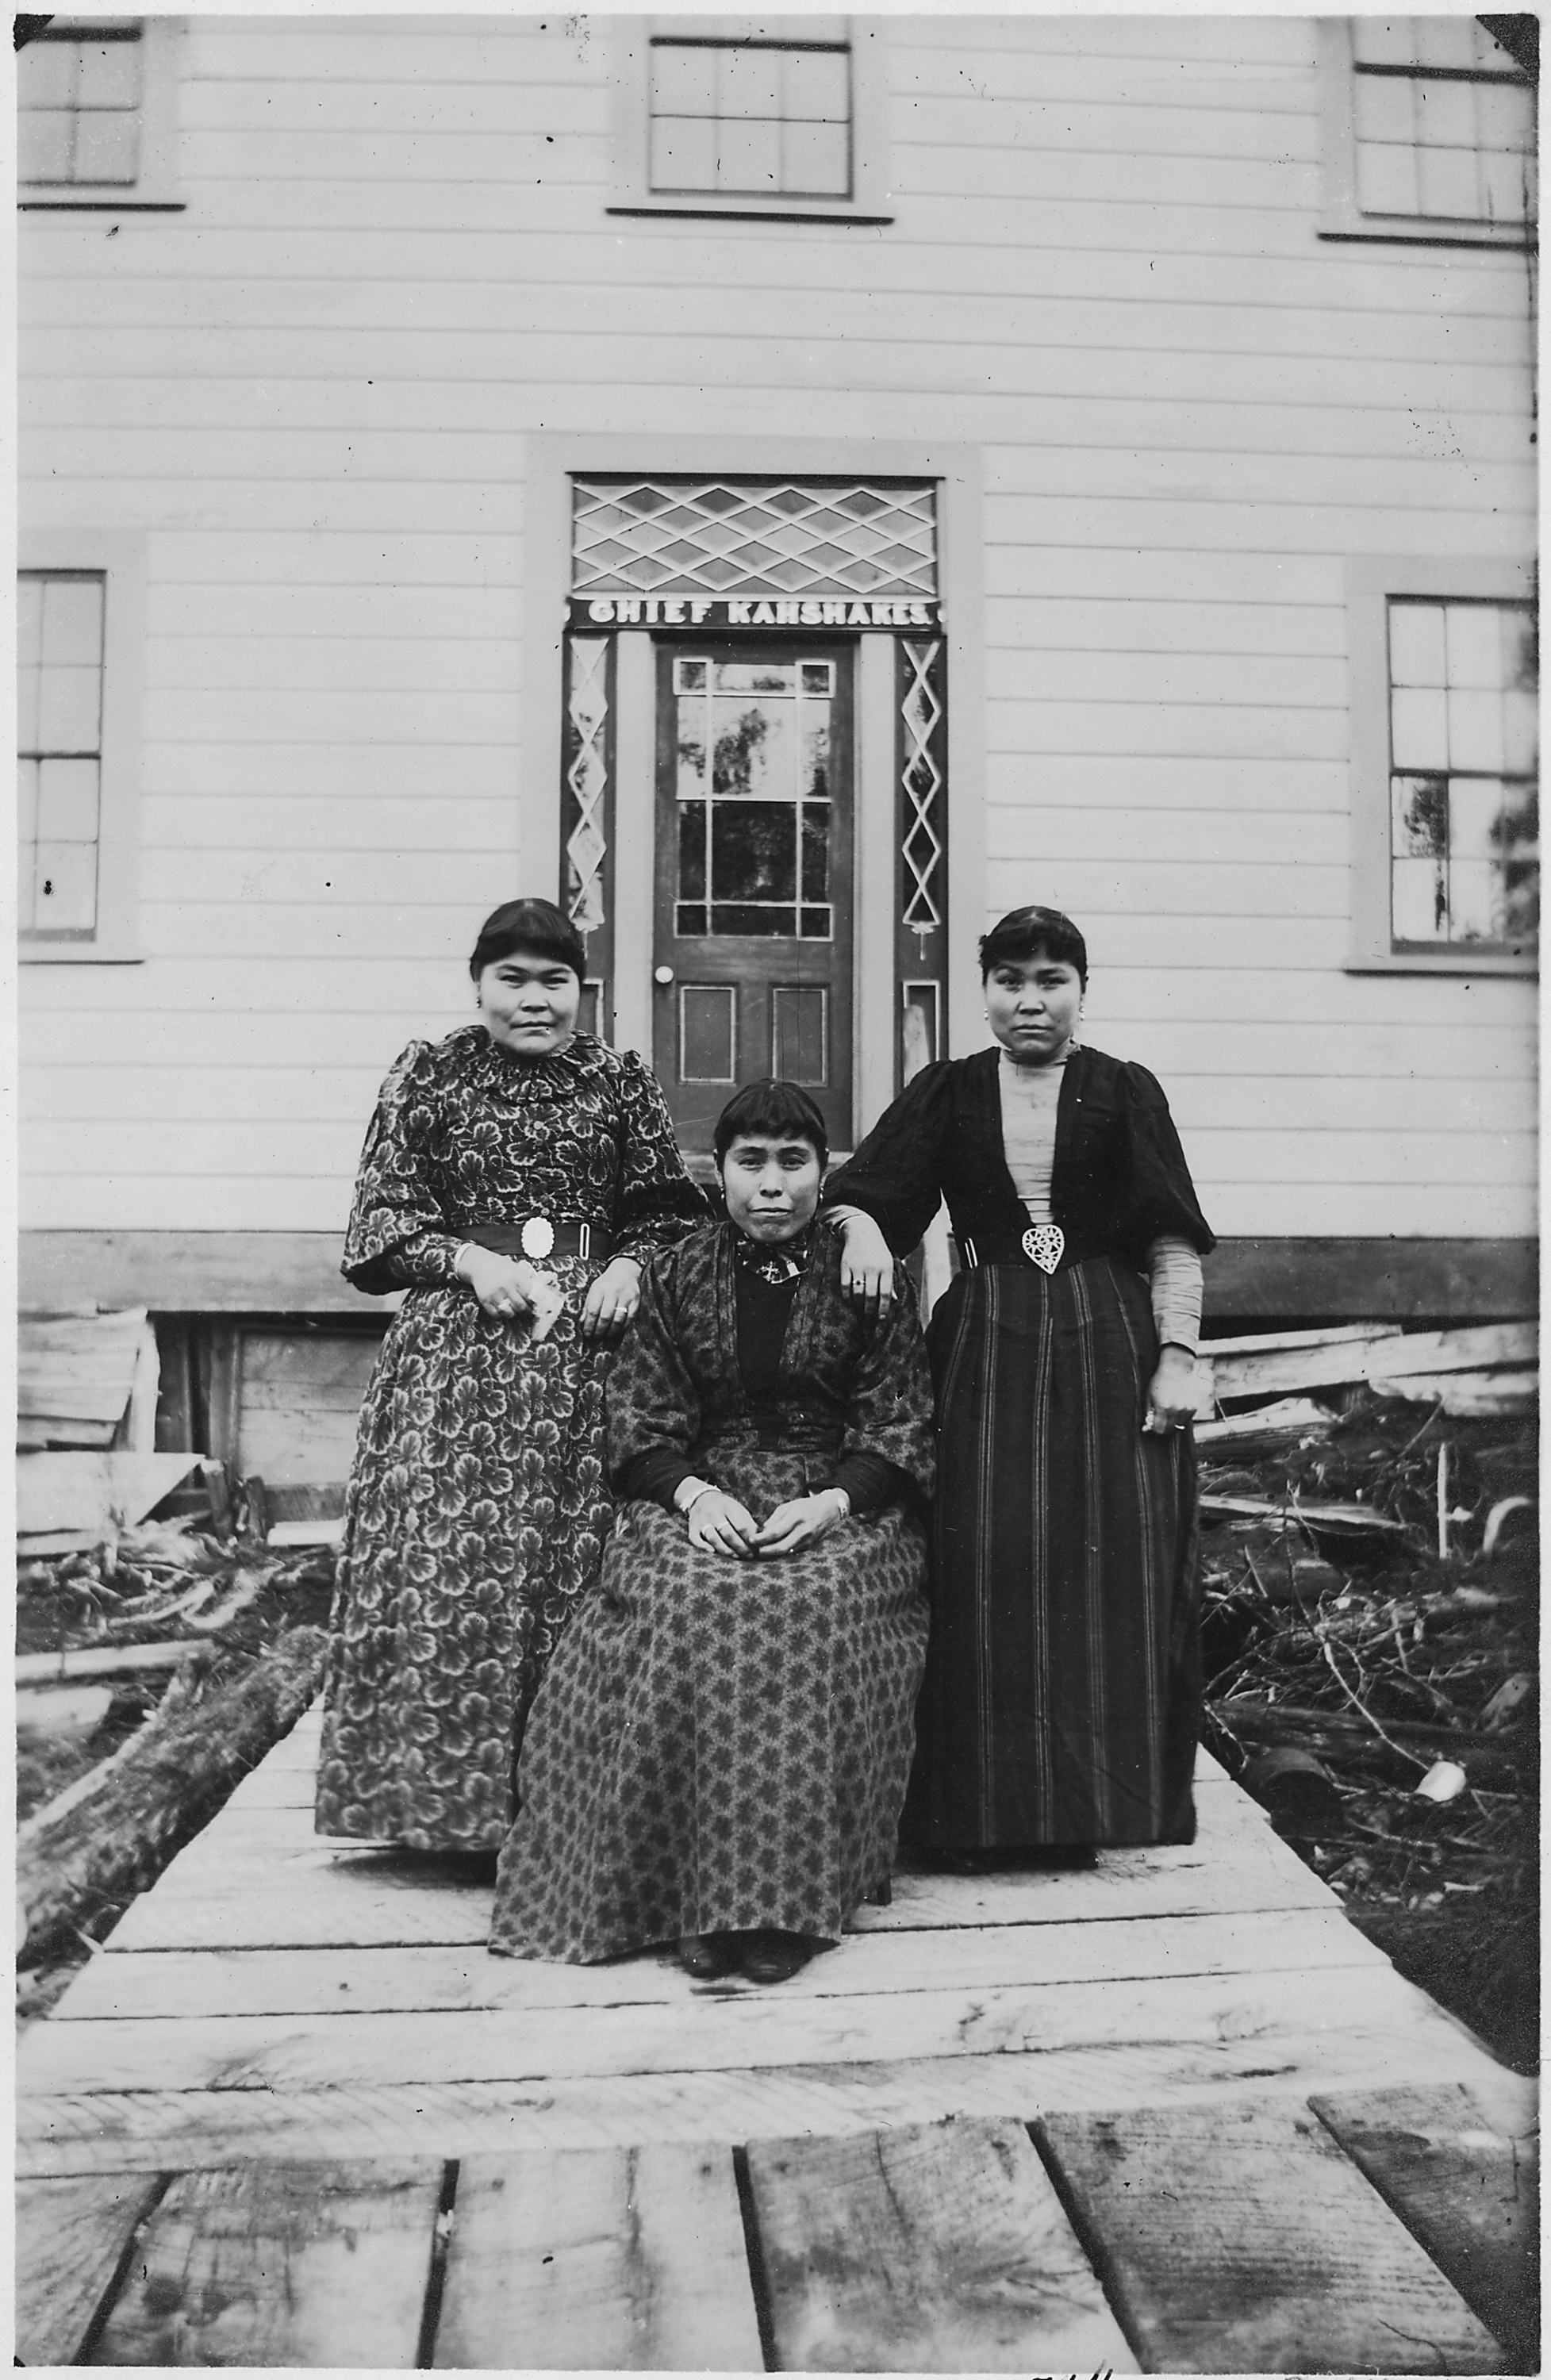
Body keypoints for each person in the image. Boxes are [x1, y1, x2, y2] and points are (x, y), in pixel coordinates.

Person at [489, 1080, 934, 1983]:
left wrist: (832, 1503)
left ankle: (777, 1906)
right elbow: (640, 1426)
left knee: (808, 1605)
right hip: (702, 1493)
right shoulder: (675, 1271)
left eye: (792, 1163)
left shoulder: (866, 1272)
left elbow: (898, 1421)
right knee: (691, 1604)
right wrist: (693, 1497)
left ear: (823, 1174)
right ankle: (684, 1895)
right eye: (749, 1163)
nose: (771, 1185)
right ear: (716, 1172)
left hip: (837, 1503)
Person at [313, 897, 705, 1853]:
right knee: (459, 1567)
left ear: (582, 989)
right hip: (461, 1358)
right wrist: (468, 1263)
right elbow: (380, 1225)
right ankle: (444, 1812)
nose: (535, 1000)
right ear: (479, 985)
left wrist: (627, 1265)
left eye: (555, 981)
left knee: (581, 1567)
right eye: (513, 980)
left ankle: (574, 1809)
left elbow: (668, 1213)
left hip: (591, 1357)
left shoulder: (616, 1082)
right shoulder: (431, 1075)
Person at [822, 905, 1215, 1858]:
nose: (1029, 1001)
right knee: (984, 1560)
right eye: (1009, 981)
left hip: (1109, 1344)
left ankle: (1102, 1810)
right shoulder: (948, 1092)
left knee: (1110, 1567)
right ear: (984, 990)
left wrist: (1177, 1354)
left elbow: (1170, 1239)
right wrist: (867, 1226)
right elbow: (854, 1196)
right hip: (986, 1344)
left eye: (1051, 981)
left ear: (1082, 991)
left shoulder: (1124, 1090)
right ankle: (981, 1814)